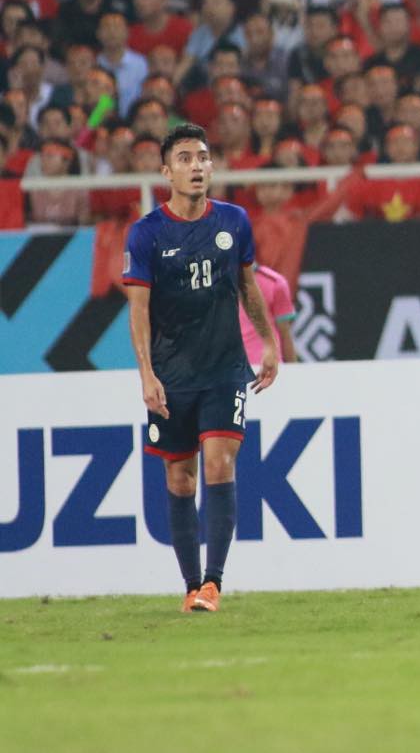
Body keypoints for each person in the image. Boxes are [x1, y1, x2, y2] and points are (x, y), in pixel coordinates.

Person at [122, 124, 280, 613]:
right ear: (166, 171)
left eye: (204, 158)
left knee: (219, 462)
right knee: (180, 479)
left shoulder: (234, 221)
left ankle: (213, 582)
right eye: (186, 158)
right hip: (171, 374)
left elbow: (249, 288)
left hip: (225, 368)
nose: (197, 166)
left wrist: (270, 343)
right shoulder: (146, 233)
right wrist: (147, 374)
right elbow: (139, 311)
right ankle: (191, 584)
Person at [239, 261, 299, 367]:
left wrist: (295, 373)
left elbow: (284, 334)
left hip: (267, 369)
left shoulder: (275, 282)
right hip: (230, 371)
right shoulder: (216, 284)